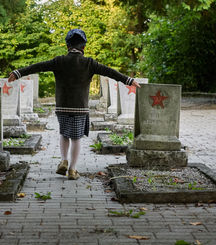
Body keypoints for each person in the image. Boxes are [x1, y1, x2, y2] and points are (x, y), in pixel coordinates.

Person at [8, 29, 141, 180]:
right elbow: (110, 72)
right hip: (80, 107)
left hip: (62, 106)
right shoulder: (90, 63)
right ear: (83, 47)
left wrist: (18, 72)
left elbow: (38, 66)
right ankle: (72, 169)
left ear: (67, 46)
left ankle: (63, 160)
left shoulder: (59, 61)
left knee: (64, 134)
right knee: (76, 138)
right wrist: (129, 81)